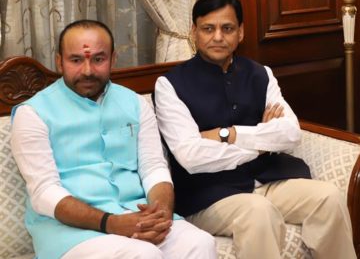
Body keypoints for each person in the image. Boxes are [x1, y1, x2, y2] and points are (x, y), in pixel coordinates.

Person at [154, 0, 356, 259]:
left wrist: (229, 135)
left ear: (241, 32)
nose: (217, 37)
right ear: (194, 32)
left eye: (227, 28)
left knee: (328, 197)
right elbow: (192, 157)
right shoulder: (170, 85)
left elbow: (290, 132)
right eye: (208, 29)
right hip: (208, 196)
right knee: (258, 212)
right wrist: (261, 144)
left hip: (268, 180)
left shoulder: (261, 73)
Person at [10, 20, 216, 259]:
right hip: (70, 233)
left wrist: (159, 216)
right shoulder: (33, 113)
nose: (87, 70)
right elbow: (44, 193)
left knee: (200, 243)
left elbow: (154, 168)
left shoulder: (135, 103)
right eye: (76, 60)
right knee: (143, 255)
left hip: (134, 215)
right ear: (59, 62)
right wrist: (112, 223)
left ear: (113, 59)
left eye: (98, 59)